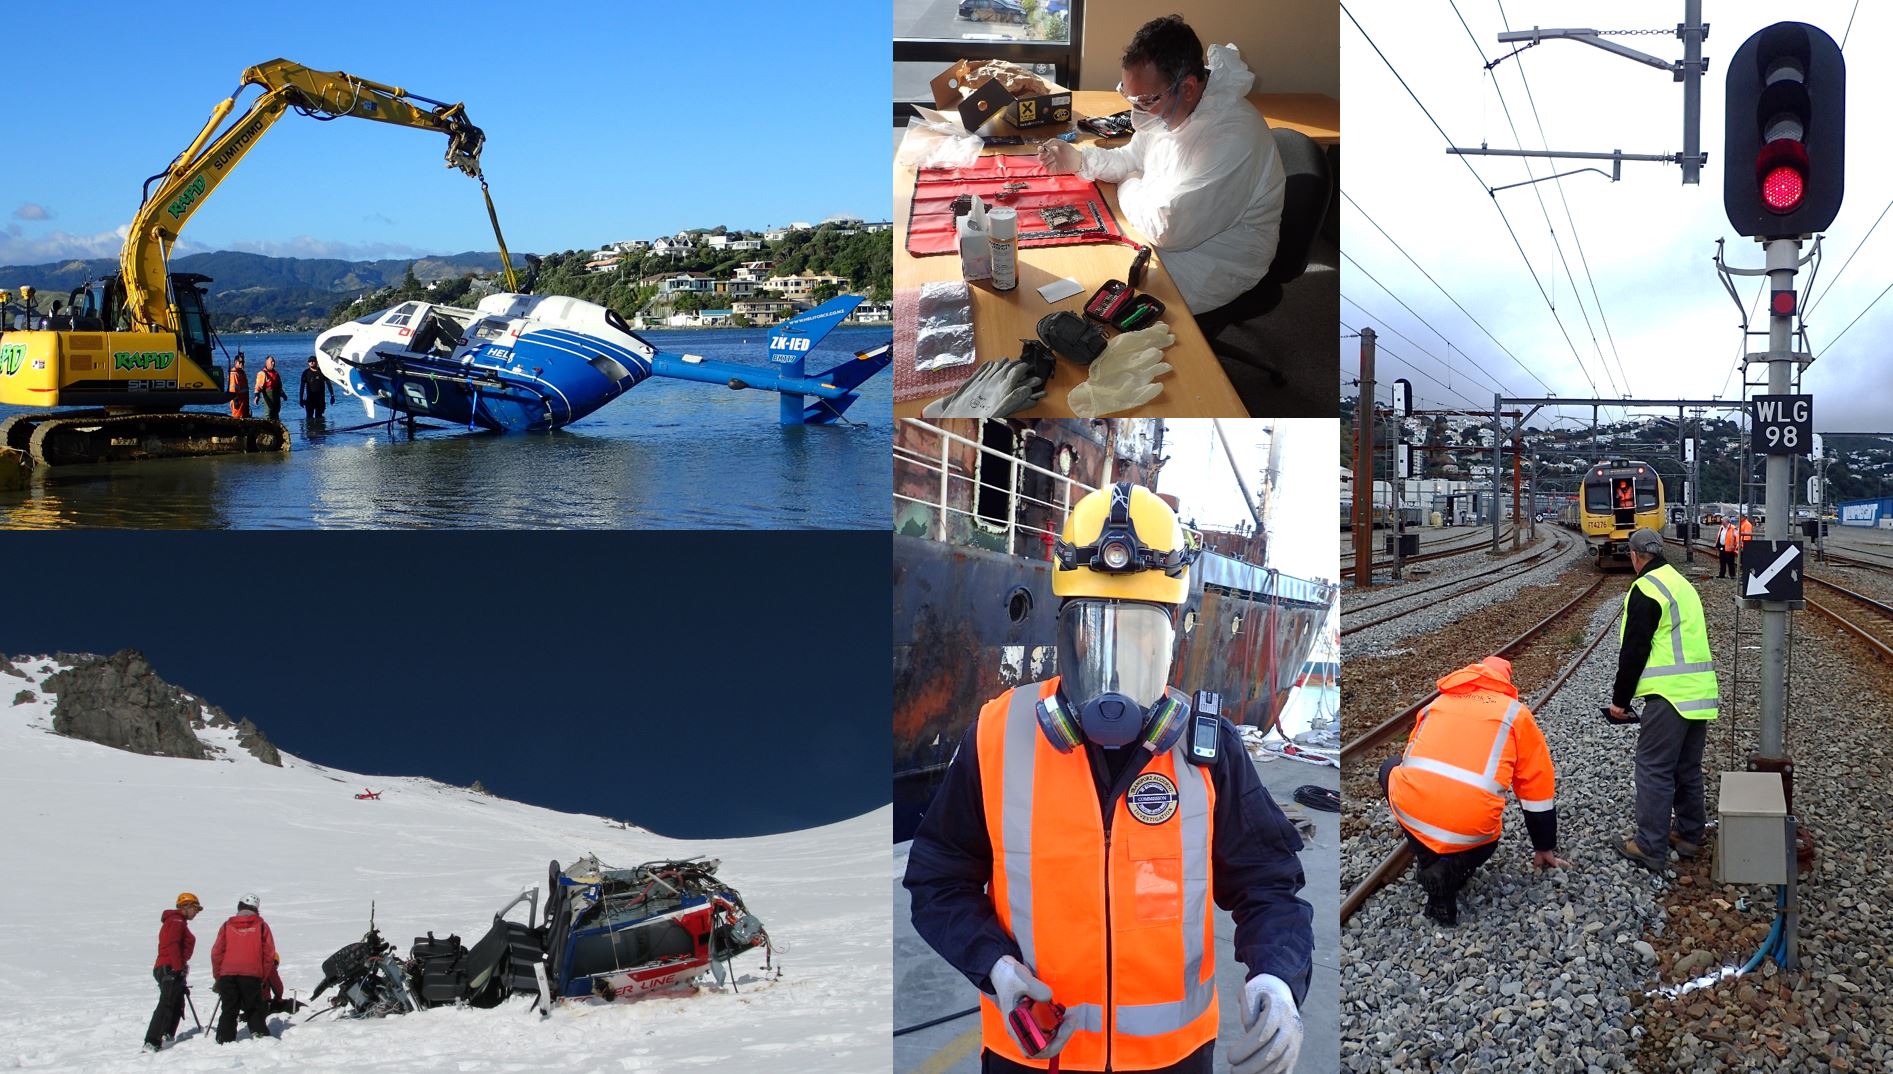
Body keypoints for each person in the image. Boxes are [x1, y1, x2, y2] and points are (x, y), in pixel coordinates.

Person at [905, 483, 1311, 1074]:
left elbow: (1270, 885)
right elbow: (937, 879)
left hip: (1170, 1061)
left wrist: (1277, 977)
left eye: (1142, 633)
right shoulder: (999, 736)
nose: (1118, 659)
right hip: (1033, 1058)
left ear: (1174, 634)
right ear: (1065, 630)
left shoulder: (1207, 748)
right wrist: (995, 966)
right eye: (1095, 629)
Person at [1037, 16, 1284, 320]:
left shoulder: (1233, 137)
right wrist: (1079, 160)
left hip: (1215, 262)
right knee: (1085, 262)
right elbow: (1131, 158)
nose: (1137, 111)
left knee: (1097, 299)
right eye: (1130, 97)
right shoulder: (1171, 107)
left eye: (1144, 100)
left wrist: (1129, 182)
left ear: (1188, 87)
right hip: (1166, 233)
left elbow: (1167, 228)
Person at [1380, 656, 1567, 926]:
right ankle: (1446, 870)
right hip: (1473, 830)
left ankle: (1429, 862)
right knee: (1483, 829)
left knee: (1390, 768)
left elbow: (1411, 760)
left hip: (1413, 811)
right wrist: (1543, 845)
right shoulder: (1515, 714)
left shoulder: (1437, 704)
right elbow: (1536, 787)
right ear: (1504, 683)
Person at [1610, 529, 1719, 869]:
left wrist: (1620, 700)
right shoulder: (1681, 584)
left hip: (1668, 696)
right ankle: (1689, 834)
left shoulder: (1645, 588)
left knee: (1653, 768)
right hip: (1700, 692)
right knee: (1687, 768)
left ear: (1634, 556)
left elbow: (1635, 649)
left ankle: (1649, 845)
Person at [210, 893, 278, 1044]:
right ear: (256, 909)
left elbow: (217, 952)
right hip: (252, 973)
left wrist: (218, 976)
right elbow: (269, 953)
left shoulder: (227, 925)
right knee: (253, 1006)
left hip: (228, 973)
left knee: (229, 1008)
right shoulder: (261, 926)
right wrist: (263, 976)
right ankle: (259, 1033)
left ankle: (224, 1038)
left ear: (239, 907)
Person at [143, 892, 202, 1051]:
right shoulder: (176, 921)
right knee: (167, 1002)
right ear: (186, 906)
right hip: (169, 967)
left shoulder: (178, 921)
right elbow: (173, 944)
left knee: (175, 1001)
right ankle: (152, 1040)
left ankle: (166, 1034)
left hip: (168, 967)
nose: (197, 912)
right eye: (195, 908)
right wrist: (177, 967)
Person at [299, 356, 334, 426]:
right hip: (310, 400)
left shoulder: (322, 372)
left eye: (313, 361)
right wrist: (301, 399)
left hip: (320, 399)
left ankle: (320, 431)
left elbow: (329, 384)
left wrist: (332, 396)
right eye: (310, 361)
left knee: (319, 418)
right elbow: (302, 387)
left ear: (317, 362)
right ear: (308, 363)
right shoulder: (306, 373)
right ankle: (310, 431)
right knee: (309, 418)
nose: (311, 362)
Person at [252, 355, 286, 421]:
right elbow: (258, 386)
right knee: (268, 414)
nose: (273, 363)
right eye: (271, 362)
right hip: (267, 398)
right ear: (267, 363)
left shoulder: (276, 374)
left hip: (276, 399)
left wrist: (283, 394)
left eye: (274, 361)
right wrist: (257, 396)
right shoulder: (262, 373)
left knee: (276, 414)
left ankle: (276, 425)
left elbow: (279, 387)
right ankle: (267, 425)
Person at [228, 354, 251, 419]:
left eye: (243, 362)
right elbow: (233, 388)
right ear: (236, 362)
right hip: (238, 402)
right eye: (240, 362)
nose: (242, 364)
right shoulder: (234, 373)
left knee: (244, 418)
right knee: (237, 418)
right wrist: (235, 400)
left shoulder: (241, 372)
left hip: (244, 402)